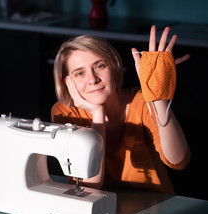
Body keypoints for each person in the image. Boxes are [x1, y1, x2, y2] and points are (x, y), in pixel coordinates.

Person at [51, 26, 191, 194]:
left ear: (114, 68)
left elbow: (178, 160)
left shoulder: (141, 102)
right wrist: (98, 115)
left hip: (156, 206)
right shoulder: (65, 113)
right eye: (80, 73)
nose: (93, 79)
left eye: (100, 66)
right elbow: (88, 188)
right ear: (67, 82)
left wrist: (157, 96)